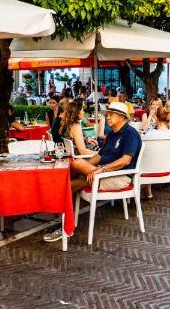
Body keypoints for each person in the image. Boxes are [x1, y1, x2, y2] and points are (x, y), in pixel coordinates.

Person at [44, 101, 142, 242]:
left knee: (74, 170)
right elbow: (99, 156)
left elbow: (125, 161)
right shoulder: (113, 134)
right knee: (69, 182)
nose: (107, 117)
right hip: (103, 173)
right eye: (107, 114)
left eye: (111, 114)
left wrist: (100, 169)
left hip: (119, 176)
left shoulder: (130, 134)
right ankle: (65, 224)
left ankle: (62, 222)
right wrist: (86, 167)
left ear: (122, 117)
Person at [142, 106, 170, 199]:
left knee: (147, 156)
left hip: (149, 169)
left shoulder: (149, 134)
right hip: (169, 169)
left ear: (156, 118)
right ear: (169, 119)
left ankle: (148, 190)